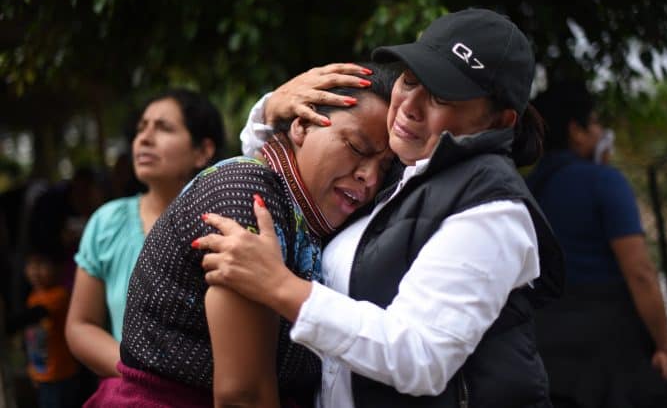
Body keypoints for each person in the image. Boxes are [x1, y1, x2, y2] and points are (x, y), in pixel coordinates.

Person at [197, 8, 564, 407]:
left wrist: (281, 287)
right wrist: (273, 111)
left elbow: (421, 356)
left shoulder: (493, 209)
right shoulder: (400, 172)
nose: (410, 105)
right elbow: (299, 183)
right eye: (409, 80)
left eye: (441, 96)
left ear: (498, 121)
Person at [94, 63, 396, 408]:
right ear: (301, 126)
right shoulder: (247, 197)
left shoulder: (303, 211)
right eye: (357, 147)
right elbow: (243, 396)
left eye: (385, 168)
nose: (369, 177)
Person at [526, 81, 667, 408]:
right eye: (594, 123)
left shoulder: (526, 187)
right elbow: (640, 273)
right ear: (576, 131)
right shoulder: (603, 181)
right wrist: (664, 346)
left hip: (543, 351)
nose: (600, 131)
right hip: (607, 357)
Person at [65, 90, 225, 389]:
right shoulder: (107, 222)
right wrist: (136, 371)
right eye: (141, 128)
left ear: (203, 151)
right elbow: (80, 325)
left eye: (163, 128)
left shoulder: (225, 224)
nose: (145, 138)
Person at [8, 250, 81, 408]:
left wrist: (8, 326)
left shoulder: (59, 296)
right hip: (42, 375)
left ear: (57, 268)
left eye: (41, 265)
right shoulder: (33, 297)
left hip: (60, 375)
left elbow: (37, 314)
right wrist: (33, 370)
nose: (35, 271)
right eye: (31, 265)